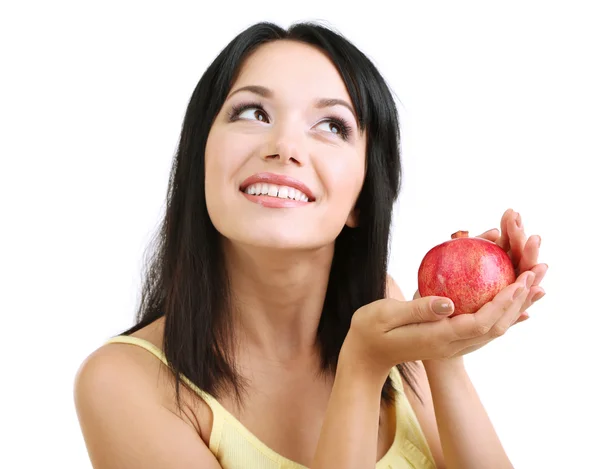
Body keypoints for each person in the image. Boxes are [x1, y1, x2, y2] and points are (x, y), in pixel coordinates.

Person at [73, 21, 548, 469]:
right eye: (253, 113)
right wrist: (361, 368)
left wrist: (445, 348)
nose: (284, 145)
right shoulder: (120, 382)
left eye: (331, 125)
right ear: (200, 160)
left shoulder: (385, 304)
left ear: (362, 198)